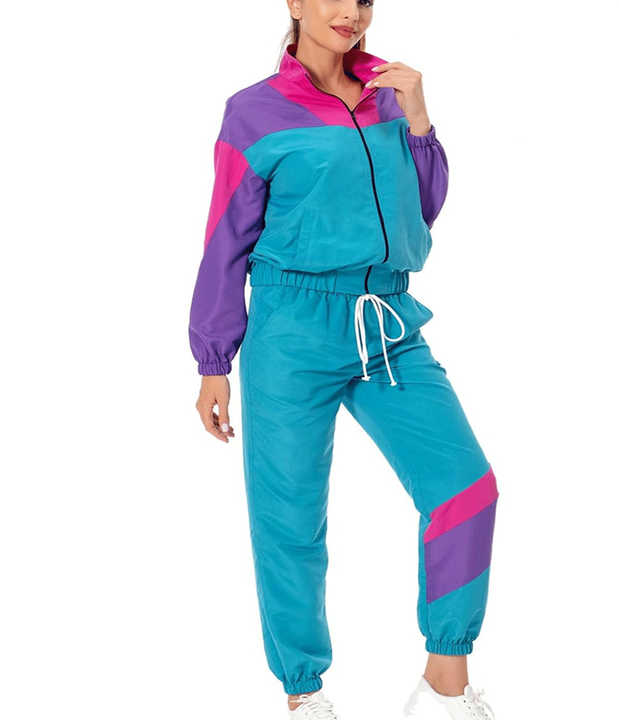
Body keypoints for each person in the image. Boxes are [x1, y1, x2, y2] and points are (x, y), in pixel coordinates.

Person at [188, 2, 499, 718]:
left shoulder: (390, 94)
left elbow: (421, 212)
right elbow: (226, 235)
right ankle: (305, 695)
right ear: (294, 3)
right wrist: (213, 358)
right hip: (291, 328)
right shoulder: (253, 112)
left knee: (466, 489)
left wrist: (418, 120)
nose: (349, 13)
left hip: (387, 322)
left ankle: (444, 685)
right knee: (290, 519)